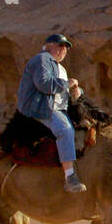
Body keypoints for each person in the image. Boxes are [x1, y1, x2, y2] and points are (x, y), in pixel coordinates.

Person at [17, 33, 87, 193]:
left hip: (59, 107)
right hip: (42, 108)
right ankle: (70, 178)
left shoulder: (60, 68)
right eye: (60, 45)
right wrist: (66, 84)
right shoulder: (42, 60)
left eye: (66, 47)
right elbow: (44, 84)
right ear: (49, 45)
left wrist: (76, 91)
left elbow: (62, 90)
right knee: (65, 130)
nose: (64, 49)